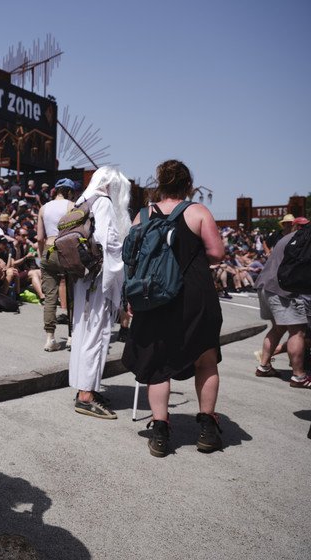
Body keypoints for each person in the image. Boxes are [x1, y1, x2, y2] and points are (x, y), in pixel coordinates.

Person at [122, 160, 225, 457]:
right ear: (187, 184)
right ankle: (207, 428)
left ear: (160, 183)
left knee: (158, 365)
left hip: (153, 295)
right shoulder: (197, 211)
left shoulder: (142, 215)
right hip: (194, 293)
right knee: (205, 359)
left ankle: (160, 431)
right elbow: (216, 253)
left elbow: (131, 259)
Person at [69, 167, 131, 420]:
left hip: (83, 277)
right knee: (96, 335)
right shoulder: (103, 202)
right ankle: (86, 395)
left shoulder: (83, 200)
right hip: (99, 279)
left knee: (84, 333)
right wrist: (124, 267)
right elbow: (109, 242)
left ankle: (85, 388)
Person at [254, 217, 311, 388]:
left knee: (278, 328)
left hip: (265, 285)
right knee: (297, 331)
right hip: (284, 289)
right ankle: (299, 376)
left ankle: (264, 366)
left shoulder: (288, 237)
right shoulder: (305, 239)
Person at [37, 178, 76, 352]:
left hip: (48, 249)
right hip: (66, 250)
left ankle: (50, 338)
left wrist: (41, 257)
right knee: (72, 294)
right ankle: (72, 336)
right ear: (70, 191)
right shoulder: (72, 206)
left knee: (50, 297)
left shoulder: (43, 208)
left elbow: (39, 238)